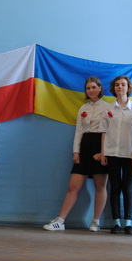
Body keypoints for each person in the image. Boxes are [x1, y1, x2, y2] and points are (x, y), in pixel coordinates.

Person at [43, 77, 109, 232]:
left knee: (100, 186)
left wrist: (104, 152)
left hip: (100, 147)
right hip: (84, 147)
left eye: (93, 87)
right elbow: (79, 131)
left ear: (100, 88)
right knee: (73, 186)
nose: (91, 90)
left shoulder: (108, 107)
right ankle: (60, 221)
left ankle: (96, 221)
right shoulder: (83, 108)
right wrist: (76, 151)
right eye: (88, 88)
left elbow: (109, 133)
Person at [100, 75, 132, 235]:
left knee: (127, 187)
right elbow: (104, 132)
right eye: (117, 85)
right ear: (114, 88)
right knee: (114, 187)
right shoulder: (108, 109)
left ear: (128, 87)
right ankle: (116, 223)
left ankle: (128, 222)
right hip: (112, 153)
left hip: (129, 153)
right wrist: (103, 152)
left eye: (123, 84)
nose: (120, 87)